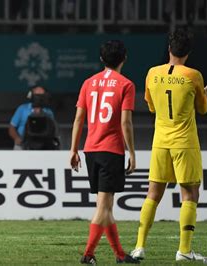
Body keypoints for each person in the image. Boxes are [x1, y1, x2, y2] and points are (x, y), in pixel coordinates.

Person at [130, 28, 207, 262]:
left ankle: (139, 246)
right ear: (189, 52)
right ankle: (184, 251)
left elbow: (152, 107)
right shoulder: (193, 75)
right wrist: (204, 96)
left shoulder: (152, 73)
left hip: (161, 141)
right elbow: (203, 109)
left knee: (153, 193)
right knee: (190, 194)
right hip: (184, 142)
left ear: (169, 48)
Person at [70, 40, 138, 264]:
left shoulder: (89, 82)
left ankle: (120, 255)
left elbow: (79, 118)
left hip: (91, 150)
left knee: (106, 207)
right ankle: (88, 254)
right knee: (103, 207)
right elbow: (126, 122)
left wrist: (73, 149)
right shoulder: (126, 84)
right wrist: (132, 153)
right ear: (124, 58)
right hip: (111, 151)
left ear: (101, 59)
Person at [8, 86, 55, 150]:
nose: (39, 98)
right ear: (31, 96)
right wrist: (17, 138)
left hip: (43, 145)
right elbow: (12, 127)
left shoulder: (49, 112)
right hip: (22, 145)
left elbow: (53, 129)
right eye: (36, 95)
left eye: (41, 95)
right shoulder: (22, 109)